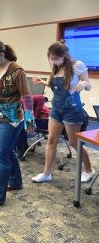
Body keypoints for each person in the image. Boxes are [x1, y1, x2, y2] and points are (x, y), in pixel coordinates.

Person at [31, 41, 95, 183]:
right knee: (51, 140)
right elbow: (55, 85)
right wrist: (42, 81)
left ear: (64, 55)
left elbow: (89, 85)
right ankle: (47, 173)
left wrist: (84, 84)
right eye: (51, 58)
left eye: (55, 58)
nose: (53, 61)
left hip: (72, 109)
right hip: (57, 108)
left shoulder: (77, 65)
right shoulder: (56, 67)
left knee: (73, 142)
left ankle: (89, 170)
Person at [0, 40, 34, 209]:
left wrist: (29, 118)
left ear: (1, 55)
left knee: (0, 155)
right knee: (8, 151)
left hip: (12, 118)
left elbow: (26, 96)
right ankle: (15, 181)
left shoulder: (17, 71)